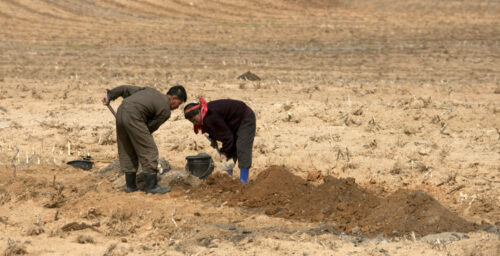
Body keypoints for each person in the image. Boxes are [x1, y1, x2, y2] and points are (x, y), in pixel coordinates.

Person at [102, 85, 187, 194]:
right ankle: (152, 187)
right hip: (135, 116)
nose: (176, 107)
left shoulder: (149, 90)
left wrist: (110, 95)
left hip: (121, 111)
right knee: (149, 150)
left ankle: (131, 187)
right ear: (173, 98)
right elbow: (150, 127)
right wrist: (140, 135)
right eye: (178, 104)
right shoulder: (166, 110)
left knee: (127, 149)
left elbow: (125, 89)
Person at [184, 98, 256, 185]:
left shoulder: (209, 116)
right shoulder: (205, 115)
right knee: (230, 149)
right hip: (232, 123)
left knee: (242, 148)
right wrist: (213, 137)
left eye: (195, 120)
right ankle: (229, 179)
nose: (195, 123)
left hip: (244, 118)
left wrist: (223, 153)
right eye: (192, 121)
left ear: (199, 112)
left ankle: (243, 182)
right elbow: (219, 129)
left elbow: (228, 137)